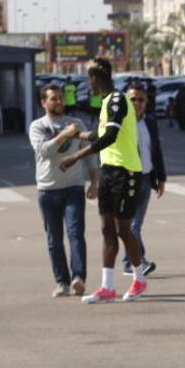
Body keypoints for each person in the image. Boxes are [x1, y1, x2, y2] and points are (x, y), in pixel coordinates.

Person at [59, 57, 148, 304]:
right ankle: (107, 287)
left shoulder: (118, 99)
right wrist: (77, 134)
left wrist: (76, 156)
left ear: (95, 78)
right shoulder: (107, 102)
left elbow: (109, 136)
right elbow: (99, 133)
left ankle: (139, 279)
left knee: (123, 229)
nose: (89, 82)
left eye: (89, 77)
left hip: (125, 172)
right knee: (107, 229)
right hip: (109, 171)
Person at [29, 83, 98, 297]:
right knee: (54, 239)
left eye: (61, 98)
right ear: (43, 102)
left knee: (76, 233)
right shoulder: (37, 126)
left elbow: (90, 155)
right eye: (53, 98)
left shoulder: (76, 123)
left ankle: (79, 278)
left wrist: (95, 182)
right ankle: (62, 282)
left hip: (73, 187)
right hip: (48, 189)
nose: (59, 102)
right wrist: (65, 135)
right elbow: (44, 151)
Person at [121, 83, 167, 277]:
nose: (137, 103)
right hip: (126, 179)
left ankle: (127, 262)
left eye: (141, 99)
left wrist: (161, 178)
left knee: (135, 225)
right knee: (131, 225)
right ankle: (140, 260)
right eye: (133, 99)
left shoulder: (150, 122)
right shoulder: (120, 123)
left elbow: (155, 150)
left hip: (146, 178)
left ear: (146, 101)